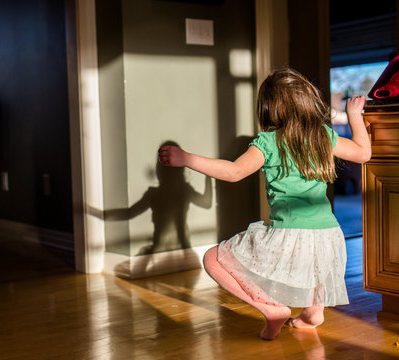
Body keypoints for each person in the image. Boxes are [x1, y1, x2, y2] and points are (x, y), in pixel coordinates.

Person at [158, 68, 371, 340]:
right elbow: (363, 153)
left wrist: (186, 158)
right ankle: (313, 313)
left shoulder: (268, 142)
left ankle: (271, 309)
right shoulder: (323, 136)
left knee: (212, 259)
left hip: (289, 233)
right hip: (329, 235)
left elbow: (234, 172)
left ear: (269, 108)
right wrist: (354, 115)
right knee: (314, 263)